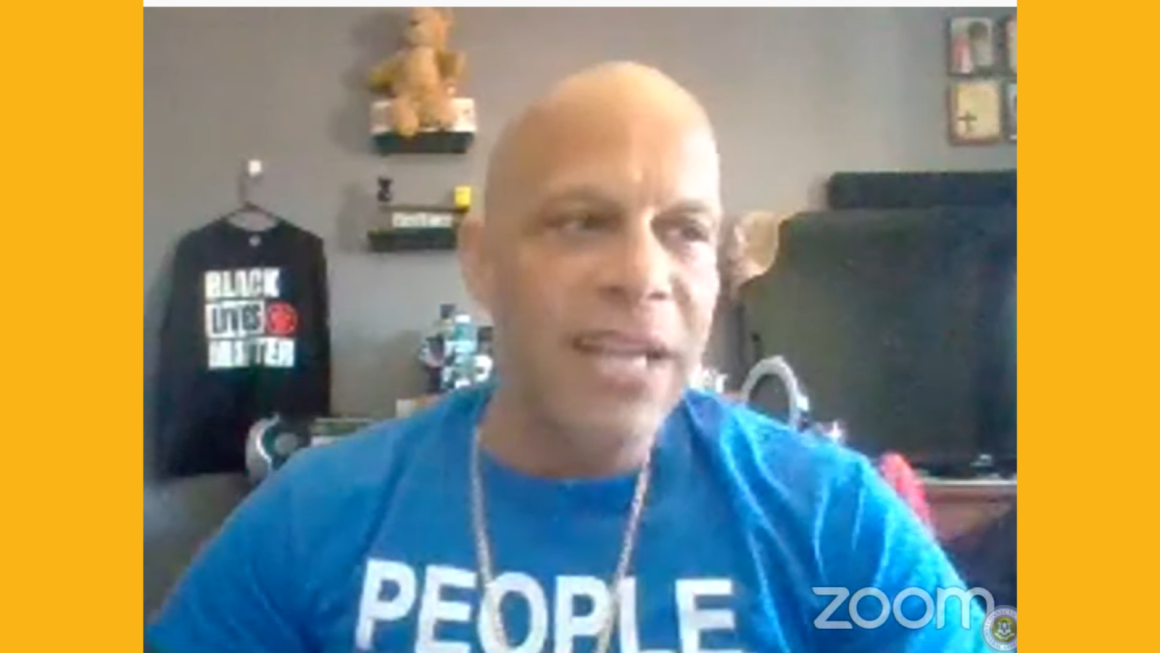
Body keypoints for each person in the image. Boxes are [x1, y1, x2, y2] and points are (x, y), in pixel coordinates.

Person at [146, 62, 990, 652]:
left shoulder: (833, 520)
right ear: (482, 260)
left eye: (685, 230)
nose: (640, 275)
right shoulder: (314, 515)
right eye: (583, 221)